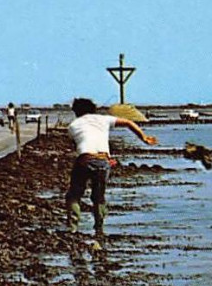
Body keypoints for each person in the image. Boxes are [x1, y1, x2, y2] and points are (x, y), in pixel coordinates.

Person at [65, 97, 157, 235]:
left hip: (85, 159)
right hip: (103, 161)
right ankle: (99, 228)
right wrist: (143, 137)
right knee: (99, 197)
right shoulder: (104, 119)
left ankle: (73, 228)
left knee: (74, 195)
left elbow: (79, 147)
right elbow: (128, 122)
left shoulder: (73, 125)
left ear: (76, 111)